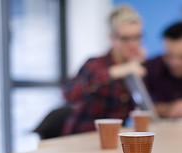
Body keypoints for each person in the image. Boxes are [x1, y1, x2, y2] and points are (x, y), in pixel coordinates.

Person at [62, 5, 146, 134]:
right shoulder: (95, 64)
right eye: (125, 39)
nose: (133, 44)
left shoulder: (135, 69)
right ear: (111, 38)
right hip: (82, 136)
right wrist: (118, 70)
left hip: (112, 139)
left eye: (137, 37)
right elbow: (69, 94)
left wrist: (134, 69)